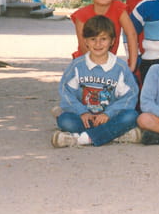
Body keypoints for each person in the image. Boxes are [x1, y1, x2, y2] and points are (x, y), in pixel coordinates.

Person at [52, 15, 140, 148]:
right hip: (85, 118)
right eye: (93, 39)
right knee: (65, 120)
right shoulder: (77, 66)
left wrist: (108, 114)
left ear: (112, 41)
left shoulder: (120, 68)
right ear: (85, 41)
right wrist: (82, 112)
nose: (98, 44)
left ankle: (83, 139)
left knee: (131, 116)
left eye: (103, 39)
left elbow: (130, 97)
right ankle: (115, 135)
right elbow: (66, 92)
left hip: (110, 117)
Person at [70, 0, 137, 72]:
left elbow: (131, 34)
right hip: (84, 64)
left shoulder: (119, 9)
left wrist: (132, 65)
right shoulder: (81, 15)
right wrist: (97, 70)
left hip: (109, 64)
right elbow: (84, 46)